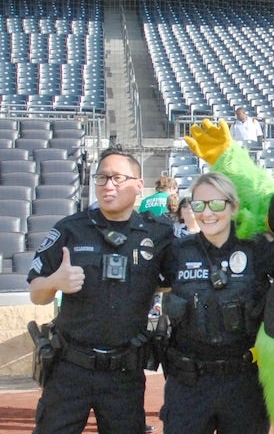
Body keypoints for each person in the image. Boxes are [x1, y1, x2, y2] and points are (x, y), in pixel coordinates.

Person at [28, 147, 175, 433]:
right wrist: (55, 282)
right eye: (102, 178)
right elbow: (37, 292)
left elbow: (179, 279)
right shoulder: (70, 229)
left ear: (138, 185)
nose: (108, 185)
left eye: (118, 178)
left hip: (125, 372)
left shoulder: (158, 234)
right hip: (70, 368)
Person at [159, 172, 274, 434]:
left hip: (244, 382)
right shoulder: (177, 252)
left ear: (233, 206)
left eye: (217, 204)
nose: (207, 213)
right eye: (199, 205)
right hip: (188, 384)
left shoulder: (258, 249)